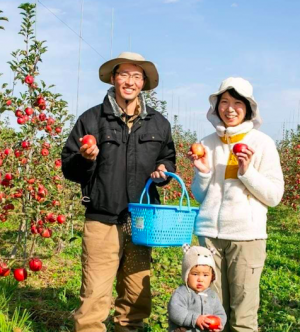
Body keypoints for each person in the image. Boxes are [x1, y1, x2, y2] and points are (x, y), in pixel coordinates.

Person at [61, 52, 176, 332]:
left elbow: (168, 158)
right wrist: (86, 158)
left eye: (136, 76)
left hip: (141, 218)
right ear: (113, 79)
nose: (130, 81)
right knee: (95, 293)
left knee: (136, 294)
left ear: (143, 83)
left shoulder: (158, 123)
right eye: (124, 74)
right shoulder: (91, 120)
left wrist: (163, 171)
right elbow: (68, 167)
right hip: (103, 217)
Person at [189, 77, 284, 332]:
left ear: (249, 107)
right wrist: (203, 172)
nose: (230, 109)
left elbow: (275, 196)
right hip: (209, 237)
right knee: (213, 315)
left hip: (246, 238)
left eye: (237, 103)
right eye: (224, 102)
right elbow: (198, 195)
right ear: (216, 105)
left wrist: (247, 171)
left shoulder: (262, 144)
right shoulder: (207, 143)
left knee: (242, 318)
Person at [168, 245, 227, 332]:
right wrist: (196, 319)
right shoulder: (182, 293)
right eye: (195, 274)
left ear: (212, 276)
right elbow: (175, 312)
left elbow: (220, 313)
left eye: (205, 275)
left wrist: (219, 323)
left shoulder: (212, 295)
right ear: (187, 274)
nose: (200, 279)